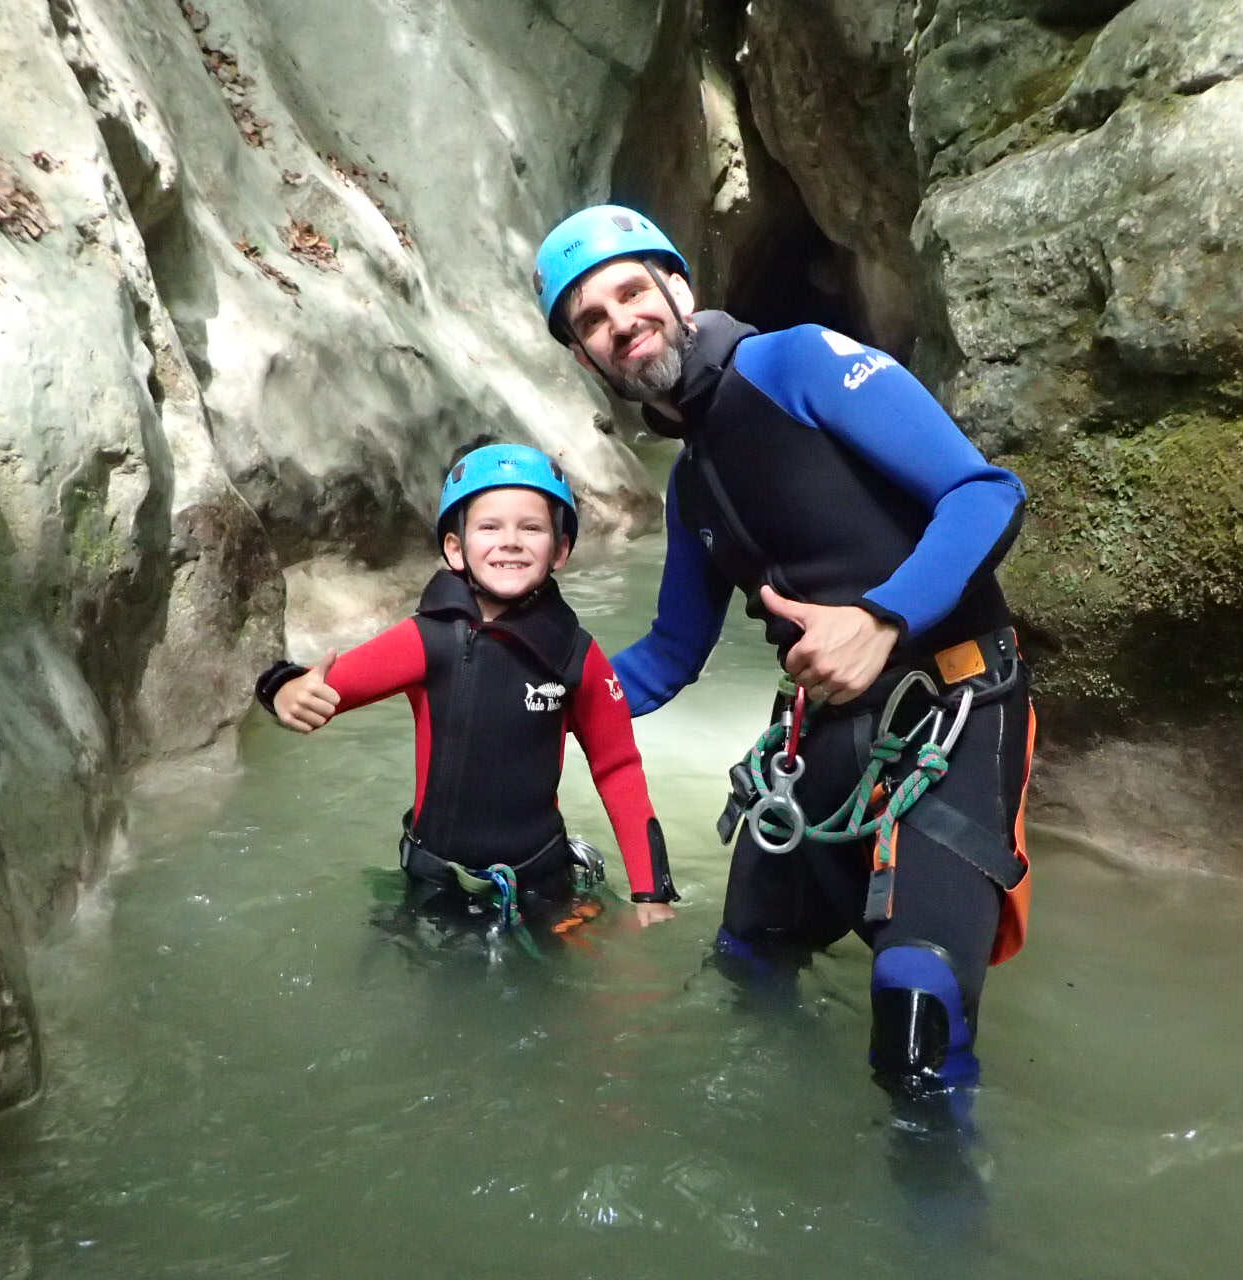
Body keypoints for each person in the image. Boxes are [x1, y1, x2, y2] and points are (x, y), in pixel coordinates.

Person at [531, 205, 1034, 1097]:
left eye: (630, 294)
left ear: (677, 288)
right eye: (593, 322)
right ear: (585, 357)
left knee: (916, 1006)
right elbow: (672, 652)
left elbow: (984, 493)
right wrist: (536, 696)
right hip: (819, 737)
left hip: (954, 711)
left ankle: (939, 1228)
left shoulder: (797, 362)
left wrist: (880, 618)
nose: (620, 324)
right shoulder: (690, 486)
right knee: (745, 970)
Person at [253, 441, 680, 931]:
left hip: (540, 886)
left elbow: (618, 767)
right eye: (489, 527)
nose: (511, 541)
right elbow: (325, 686)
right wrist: (282, 689)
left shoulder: (577, 655)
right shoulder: (426, 638)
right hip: (437, 885)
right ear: (455, 549)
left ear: (561, 550)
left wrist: (651, 891)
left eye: (532, 527)